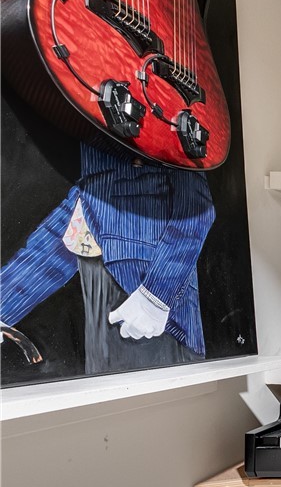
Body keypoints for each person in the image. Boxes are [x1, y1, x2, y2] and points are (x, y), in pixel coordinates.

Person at [0, 143, 215, 374]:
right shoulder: (97, 144)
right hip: (104, 327)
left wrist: (155, 297)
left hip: (156, 323)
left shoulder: (166, 130)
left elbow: (197, 211)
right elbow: (75, 219)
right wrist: (3, 305)